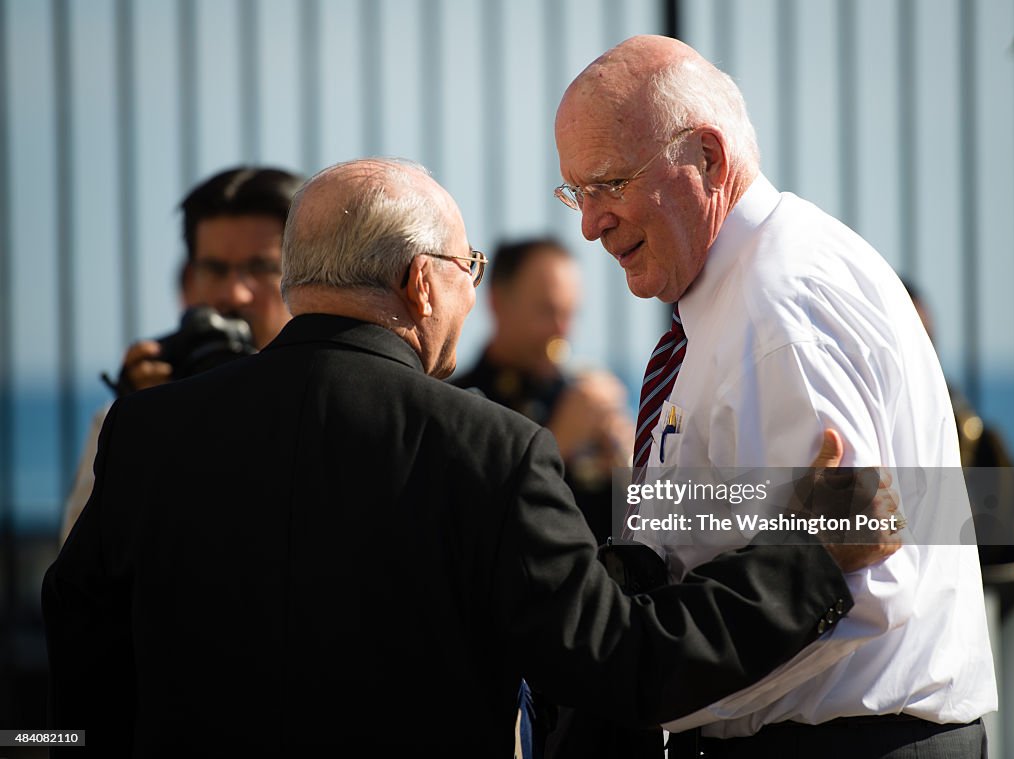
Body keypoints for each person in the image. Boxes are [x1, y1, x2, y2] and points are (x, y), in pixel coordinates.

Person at [44, 158, 897, 757]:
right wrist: (812, 553)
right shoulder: (491, 446)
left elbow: (80, 656)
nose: (470, 289)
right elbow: (623, 664)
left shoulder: (145, 432)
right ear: (423, 283)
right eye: (469, 268)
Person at [554, 35, 996, 757]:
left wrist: (653, 690)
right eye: (577, 191)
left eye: (610, 182)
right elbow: (734, 530)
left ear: (707, 158)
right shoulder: (746, 294)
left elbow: (863, 577)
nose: (589, 221)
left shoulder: (779, 309)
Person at [60, 166, 303, 543]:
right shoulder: (130, 413)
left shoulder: (334, 403)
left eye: (262, 268)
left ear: (306, 276)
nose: (234, 294)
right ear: (189, 280)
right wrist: (140, 433)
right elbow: (81, 568)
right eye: (215, 269)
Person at [452, 236, 633, 544]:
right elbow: (467, 523)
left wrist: (630, 468)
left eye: (569, 313)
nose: (563, 331)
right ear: (497, 303)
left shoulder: (575, 393)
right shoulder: (458, 402)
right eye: (547, 311)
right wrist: (558, 444)